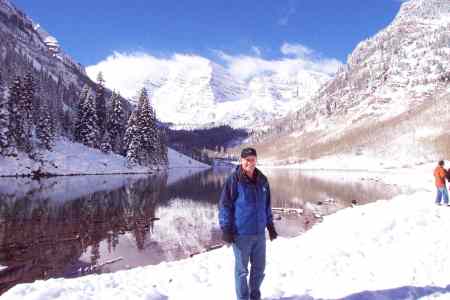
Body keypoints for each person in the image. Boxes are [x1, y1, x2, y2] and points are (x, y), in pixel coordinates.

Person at [219, 147, 278, 300]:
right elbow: (225, 206)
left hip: (259, 234)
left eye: (252, 159)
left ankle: (255, 296)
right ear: (241, 161)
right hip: (241, 234)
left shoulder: (263, 180)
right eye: (247, 160)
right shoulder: (234, 180)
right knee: (241, 271)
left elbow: (266, 205)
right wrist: (226, 228)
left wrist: (270, 225)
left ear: (256, 160)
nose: (250, 163)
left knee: (259, 269)